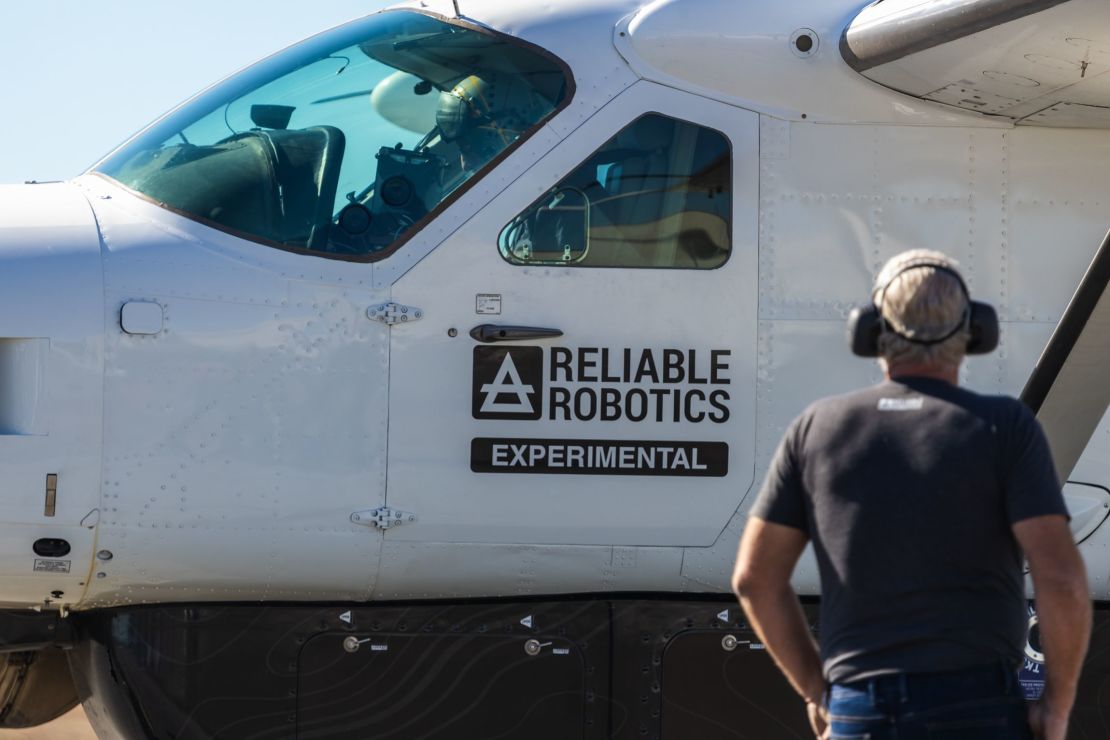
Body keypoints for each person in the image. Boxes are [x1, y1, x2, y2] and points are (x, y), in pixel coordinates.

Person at [731, 249, 1091, 740]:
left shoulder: (817, 429)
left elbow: (755, 579)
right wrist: (1056, 708)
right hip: (980, 706)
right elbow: (1063, 582)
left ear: (871, 330)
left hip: (860, 710)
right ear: (974, 331)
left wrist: (817, 692)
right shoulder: (1005, 428)